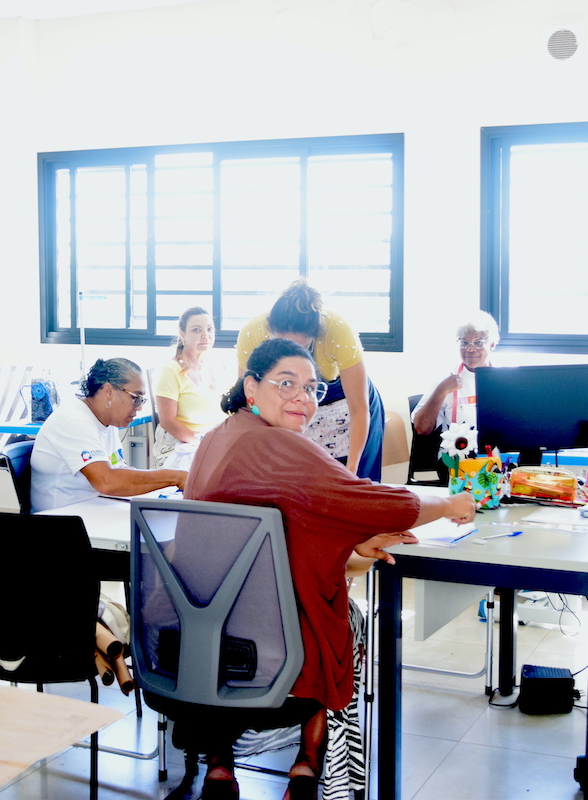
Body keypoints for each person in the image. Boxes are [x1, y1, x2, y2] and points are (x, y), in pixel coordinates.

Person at [183, 337, 476, 800]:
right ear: (251, 388)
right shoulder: (281, 444)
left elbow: (280, 528)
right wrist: (450, 503)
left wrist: (350, 539)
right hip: (272, 650)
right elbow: (379, 503)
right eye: (287, 383)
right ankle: (309, 765)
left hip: (201, 643)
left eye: (312, 388)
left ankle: (220, 767)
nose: (303, 398)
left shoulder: (216, 438)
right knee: (350, 619)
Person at [235, 280, 384, 480]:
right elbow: (249, 402)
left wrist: (351, 470)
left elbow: (359, 409)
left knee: (349, 484)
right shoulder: (252, 333)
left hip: (345, 403)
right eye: (283, 344)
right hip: (292, 403)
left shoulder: (338, 331)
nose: (293, 355)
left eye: (302, 347)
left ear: (315, 335)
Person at [30, 358, 187, 513]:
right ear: (108, 391)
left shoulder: (107, 420)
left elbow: (119, 470)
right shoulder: (73, 420)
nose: (139, 408)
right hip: (63, 519)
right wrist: (174, 477)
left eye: (141, 400)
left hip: (93, 508)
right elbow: (107, 482)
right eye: (135, 398)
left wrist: (167, 484)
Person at [151, 306, 229, 469]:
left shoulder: (219, 365)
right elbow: (168, 421)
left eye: (209, 329)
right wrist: (202, 443)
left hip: (215, 442)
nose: (205, 335)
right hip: (182, 444)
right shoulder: (170, 370)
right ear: (182, 334)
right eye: (196, 330)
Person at [411, 310, 500, 439]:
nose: (470, 349)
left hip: (499, 450)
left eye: (478, 342)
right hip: (457, 450)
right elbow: (421, 428)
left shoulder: (505, 379)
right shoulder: (446, 378)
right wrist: (441, 390)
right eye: (464, 343)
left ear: (492, 344)